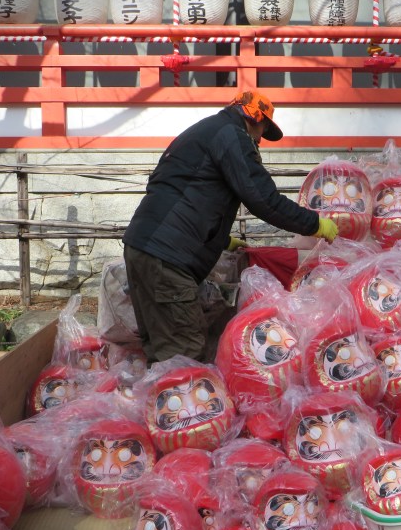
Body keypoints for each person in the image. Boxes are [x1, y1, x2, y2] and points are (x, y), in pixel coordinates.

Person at [122, 90, 339, 365]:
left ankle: (157, 402)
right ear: (253, 116)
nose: (260, 139)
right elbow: (263, 199)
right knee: (183, 353)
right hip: (168, 259)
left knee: (160, 351)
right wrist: (314, 224)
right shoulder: (232, 135)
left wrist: (221, 240)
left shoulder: (206, 132)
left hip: (143, 248)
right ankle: (181, 407)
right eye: (262, 130)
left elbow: (187, 191)